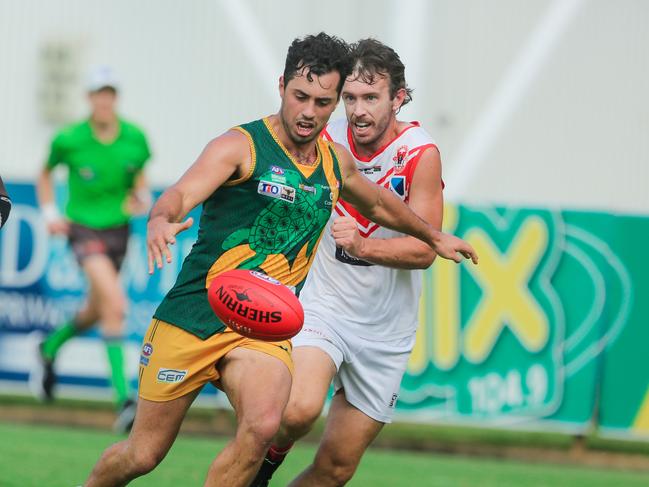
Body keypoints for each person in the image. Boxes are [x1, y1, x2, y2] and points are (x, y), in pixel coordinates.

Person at [82, 33, 476, 487]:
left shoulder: (335, 162)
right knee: (143, 453)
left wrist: (433, 236)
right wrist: (160, 218)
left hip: (261, 326)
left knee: (266, 423)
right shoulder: (240, 145)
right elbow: (181, 193)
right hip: (196, 314)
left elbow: (381, 206)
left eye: (323, 102)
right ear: (282, 86)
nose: (309, 112)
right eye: (300, 97)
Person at [251, 38, 451, 487]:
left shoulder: (421, 154)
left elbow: (423, 250)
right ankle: (259, 469)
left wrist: (363, 246)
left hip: (386, 331)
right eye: (350, 99)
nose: (357, 111)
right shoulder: (326, 138)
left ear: (398, 98)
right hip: (324, 308)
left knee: (335, 469)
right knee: (299, 409)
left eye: (371, 98)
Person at [30, 66, 152, 433]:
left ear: (115, 97)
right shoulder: (69, 138)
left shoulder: (135, 137)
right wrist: (51, 213)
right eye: (98, 93)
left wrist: (141, 196)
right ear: (89, 98)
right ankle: (124, 399)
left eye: (109, 93)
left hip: (118, 231)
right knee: (115, 305)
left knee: (98, 310)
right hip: (83, 229)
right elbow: (45, 174)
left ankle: (49, 348)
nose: (104, 100)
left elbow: (139, 178)